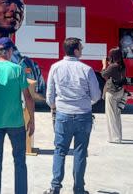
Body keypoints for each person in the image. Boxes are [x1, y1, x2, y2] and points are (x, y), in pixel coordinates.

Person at [43, 37, 101, 194]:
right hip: (83, 115)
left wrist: (55, 107)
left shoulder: (55, 67)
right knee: (80, 152)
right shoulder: (86, 69)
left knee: (60, 151)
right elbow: (96, 96)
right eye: (81, 48)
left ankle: (55, 187)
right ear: (75, 51)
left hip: (63, 115)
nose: (82, 50)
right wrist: (85, 102)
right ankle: (79, 188)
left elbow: (49, 95)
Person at [0, 37, 35, 194]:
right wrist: (31, 120)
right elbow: (28, 97)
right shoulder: (17, 69)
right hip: (16, 123)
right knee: (20, 161)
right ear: (9, 51)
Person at [101, 47, 127, 144]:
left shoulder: (113, 67)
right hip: (120, 91)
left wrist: (104, 65)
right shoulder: (122, 65)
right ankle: (118, 135)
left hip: (111, 92)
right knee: (117, 114)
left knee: (111, 115)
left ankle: (115, 138)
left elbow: (104, 75)